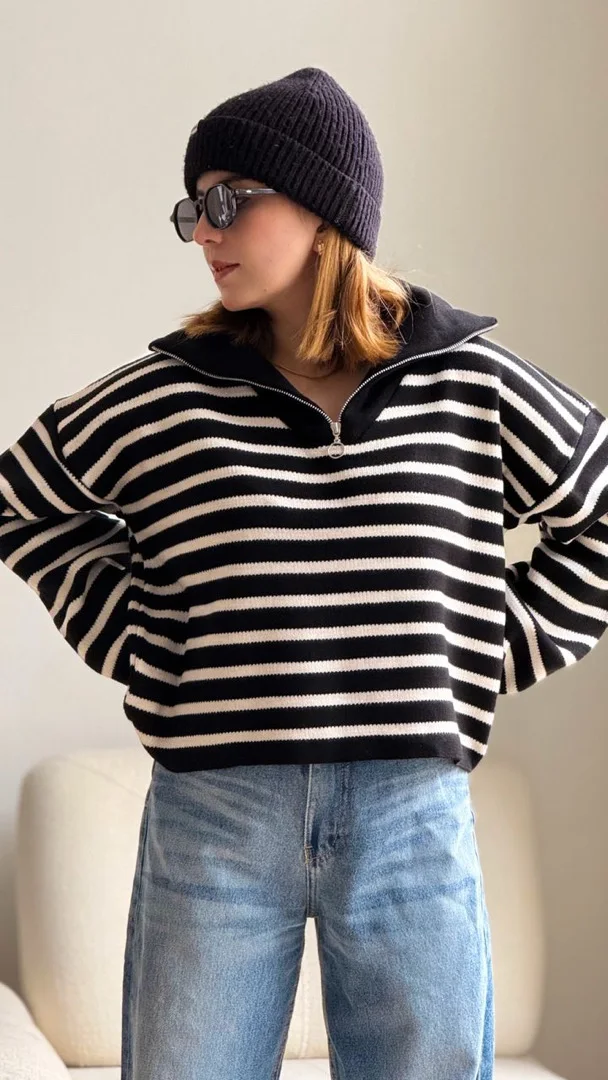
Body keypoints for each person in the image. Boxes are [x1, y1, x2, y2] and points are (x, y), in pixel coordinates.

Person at [2, 66, 608, 1080]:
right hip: (216, 818)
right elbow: (21, 503)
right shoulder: (164, 396)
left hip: (409, 816)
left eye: (229, 200)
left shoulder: (467, 382)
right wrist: (148, 645)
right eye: (193, 209)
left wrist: (480, 647)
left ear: (325, 207)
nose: (203, 232)